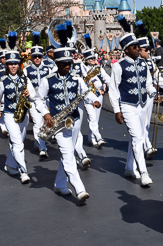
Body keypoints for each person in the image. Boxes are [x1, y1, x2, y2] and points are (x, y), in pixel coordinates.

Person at [37, 46, 100, 202]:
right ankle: (79, 189)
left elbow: (87, 92)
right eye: (64, 63)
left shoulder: (77, 79)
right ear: (57, 63)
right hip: (58, 124)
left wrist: (95, 100)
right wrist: (45, 113)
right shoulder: (47, 80)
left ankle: (59, 184)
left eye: (69, 63)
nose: (67, 66)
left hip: (75, 121)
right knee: (68, 156)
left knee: (69, 154)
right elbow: (38, 99)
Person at [109, 29, 156, 187]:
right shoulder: (118, 66)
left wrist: (153, 92)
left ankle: (130, 167)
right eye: (134, 47)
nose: (138, 49)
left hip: (142, 105)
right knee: (137, 138)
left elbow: (148, 83)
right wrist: (117, 110)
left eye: (138, 46)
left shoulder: (144, 64)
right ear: (126, 50)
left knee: (139, 136)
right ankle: (143, 173)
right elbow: (114, 89)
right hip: (128, 106)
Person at [0, 49, 39, 184]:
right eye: (10, 64)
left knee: (18, 143)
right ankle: (23, 171)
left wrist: (30, 95)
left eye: (15, 63)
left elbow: (35, 97)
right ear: (6, 65)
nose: (13, 66)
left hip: (24, 115)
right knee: (17, 143)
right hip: (10, 115)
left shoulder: (25, 79)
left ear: (19, 64)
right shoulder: (3, 81)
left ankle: (10, 165)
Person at [23, 43, 53, 159]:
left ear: (42, 57)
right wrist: (26, 91)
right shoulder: (26, 70)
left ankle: (38, 141)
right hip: (32, 100)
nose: (37, 58)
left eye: (39, 56)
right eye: (34, 56)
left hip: (45, 100)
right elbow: (23, 84)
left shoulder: (48, 69)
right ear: (31, 57)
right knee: (38, 122)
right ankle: (42, 147)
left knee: (45, 123)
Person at [83, 45, 109, 148]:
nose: (93, 60)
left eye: (94, 58)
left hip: (98, 95)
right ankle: (96, 137)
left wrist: (114, 87)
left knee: (96, 118)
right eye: (91, 58)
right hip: (87, 97)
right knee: (91, 118)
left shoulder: (99, 68)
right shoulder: (83, 68)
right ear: (87, 59)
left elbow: (106, 78)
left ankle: (91, 137)